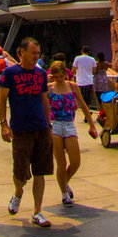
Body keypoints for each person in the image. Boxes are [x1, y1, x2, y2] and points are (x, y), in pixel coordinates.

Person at [0, 37, 54, 227]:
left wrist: (48, 123)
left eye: (38, 53)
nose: (36, 57)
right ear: (22, 52)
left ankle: (37, 211)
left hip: (41, 128)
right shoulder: (10, 73)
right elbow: (2, 99)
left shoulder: (41, 74)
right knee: (20, 172)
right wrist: (4, 124)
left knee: (40, 172)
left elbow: (44, 99)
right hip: (21, 130)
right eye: (33, 53)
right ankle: (18, 192)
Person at [46, 58, 95, 206]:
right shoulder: (48, 88)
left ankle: (64, 181)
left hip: (68, 124)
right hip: (54, 125)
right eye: (56, 77)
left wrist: (92, 125)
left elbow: (84, 105)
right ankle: (64, 193)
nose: (60, 79)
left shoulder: (72, 87)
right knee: (61, 163)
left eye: (62, 76)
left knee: (75, 162)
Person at [73, 46, 99, 112]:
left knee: (81, 99)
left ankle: (84, 111)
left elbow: (73, 69)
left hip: (80, 82)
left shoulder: (77, 58)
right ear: (89, 52)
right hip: (89, 81)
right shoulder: (92, 59)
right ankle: (87, 111)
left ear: (81, 51)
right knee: (88, 100)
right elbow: (94, 71)